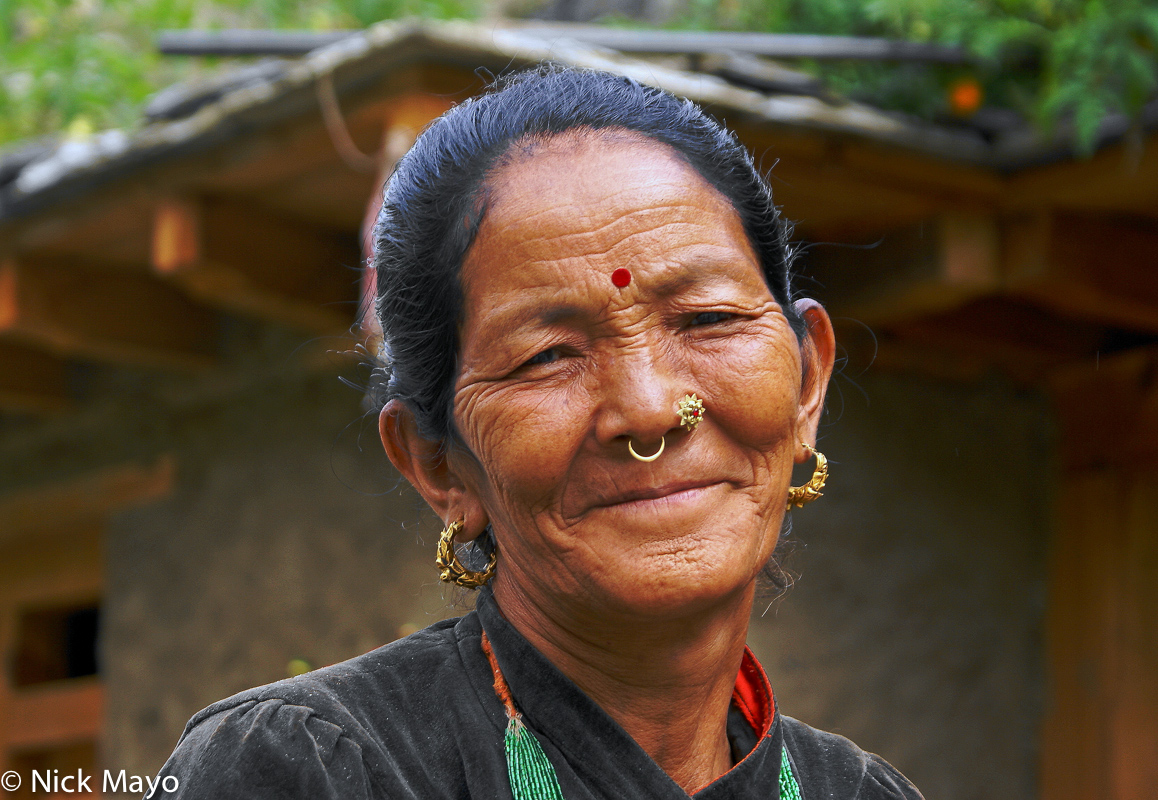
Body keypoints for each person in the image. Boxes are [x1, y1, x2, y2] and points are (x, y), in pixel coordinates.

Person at [154, 67, 923, 799]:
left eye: (707, 320)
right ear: (437, 463)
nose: (651, 410)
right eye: (548, 356)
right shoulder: (312, 771)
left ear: (806, 384)